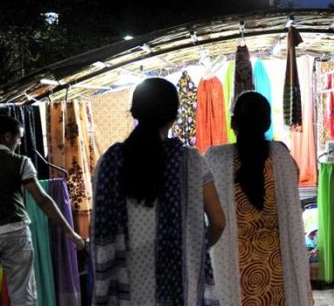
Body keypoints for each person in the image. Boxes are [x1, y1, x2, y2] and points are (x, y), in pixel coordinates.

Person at [92, 78, 226, 305]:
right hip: (181, 285)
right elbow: (218, 222)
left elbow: (100, 226)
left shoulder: (109, 163)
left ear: (134, 112)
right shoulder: (191, 162)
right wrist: (193, 246)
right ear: (174, 116)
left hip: (128, 287)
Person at [206, 92, 313, 305]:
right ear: (267, 124)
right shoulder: (283, 159)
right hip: (278, 273)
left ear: (232, 122)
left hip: (234, 273)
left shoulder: (215, 160)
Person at [0, 116, 85, 305]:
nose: (20, 142)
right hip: (15, 231)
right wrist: (71, 233)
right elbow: (43, 200)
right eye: (19, 138)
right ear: (7, 137)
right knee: (23, 293)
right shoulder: (20, 162)